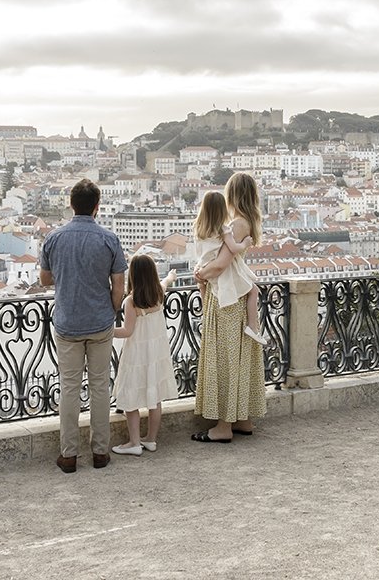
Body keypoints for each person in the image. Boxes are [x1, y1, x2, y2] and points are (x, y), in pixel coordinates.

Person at [40, 178, 127, 473]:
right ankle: (100, 452)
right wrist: (112, 310)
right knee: (100, 387)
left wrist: (67, 274)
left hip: (67, 322)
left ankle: (69, 455)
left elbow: (44, 279)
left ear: (71, 205)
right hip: (100, 322)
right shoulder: (109, 239)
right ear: (97, 207)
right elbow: (119, 285)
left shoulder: (53, 238)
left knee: (69, 388)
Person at [191, 172, 267, 443]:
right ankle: (243, 419)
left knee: (225, 359)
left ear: (233, 194)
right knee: (238, 356)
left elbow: (221, 264)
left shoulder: (236, 225)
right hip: (237, 294)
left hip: (227, 299)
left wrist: (201, 274)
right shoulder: (248, 222)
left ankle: (223, 427)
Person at [110, 254, 179, 456]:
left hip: (137, 354)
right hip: (156, 355)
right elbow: (164, 283)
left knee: (130, 396)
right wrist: (170, 277)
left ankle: (134, 442)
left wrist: (106, 331)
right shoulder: (158, 293)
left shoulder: (131, 301)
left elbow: (127, 331)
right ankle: (150, 439)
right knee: (155, 398)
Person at [190, 190, 266, 345]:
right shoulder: (224, 229)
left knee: (203, 288)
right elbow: (232, 249)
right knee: (253, 290)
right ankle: (252, 327)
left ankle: (207, 320)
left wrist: (201, 271)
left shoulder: (199, 229)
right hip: (214, 268)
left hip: (203, 264)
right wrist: (244, 244)